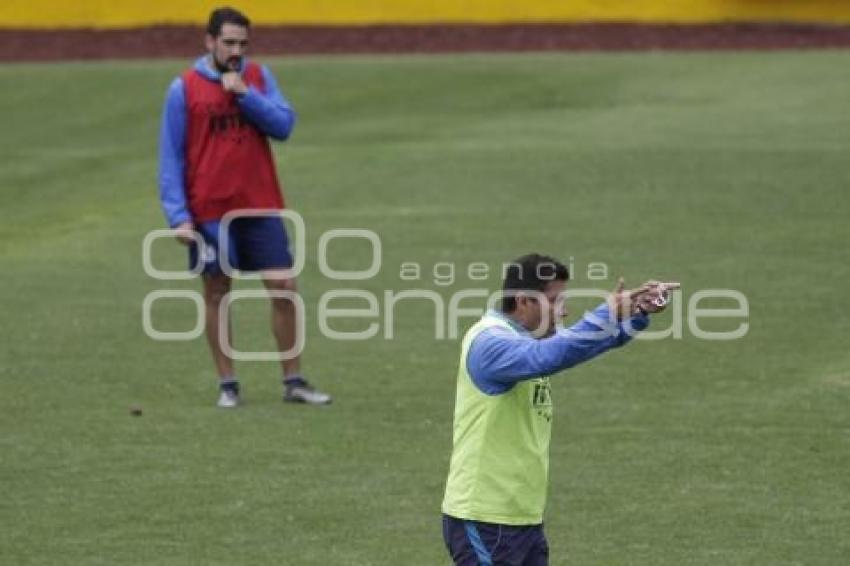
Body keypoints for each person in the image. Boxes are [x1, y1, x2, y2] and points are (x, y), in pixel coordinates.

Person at [441, 253, 678, 565]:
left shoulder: (526, 340)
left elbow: (581, 345)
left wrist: (636, 314)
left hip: (522, 517)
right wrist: (605, 313)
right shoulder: (491, 343)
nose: (563, 310)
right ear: (524, 301)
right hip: (486, 518)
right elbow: (552, 355)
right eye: (554, 301)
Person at [158, 7, 330, 408]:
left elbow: (284, 125)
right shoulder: (183, 88)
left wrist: (244, 95)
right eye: (228, 42)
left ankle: (294, 381)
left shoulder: (257, 78)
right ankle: (228, 385)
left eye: (242, 44)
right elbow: (171, 157)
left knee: (285, 286)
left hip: (259, 203)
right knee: (217, 290)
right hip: (210, 209)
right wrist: (178, 217)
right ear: (210, 41)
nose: (236, 51)